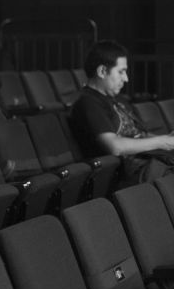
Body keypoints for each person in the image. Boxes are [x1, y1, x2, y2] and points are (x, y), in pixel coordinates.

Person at [70, 40, 174, 183]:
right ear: (102, 71)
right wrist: (162, 142)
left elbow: (140, 135)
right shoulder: (88, 103)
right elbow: (115, 147)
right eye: (121, 72)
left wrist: (168, 139)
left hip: (149, 164)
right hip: (131, 173)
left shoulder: (118, 100)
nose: (126, 78)